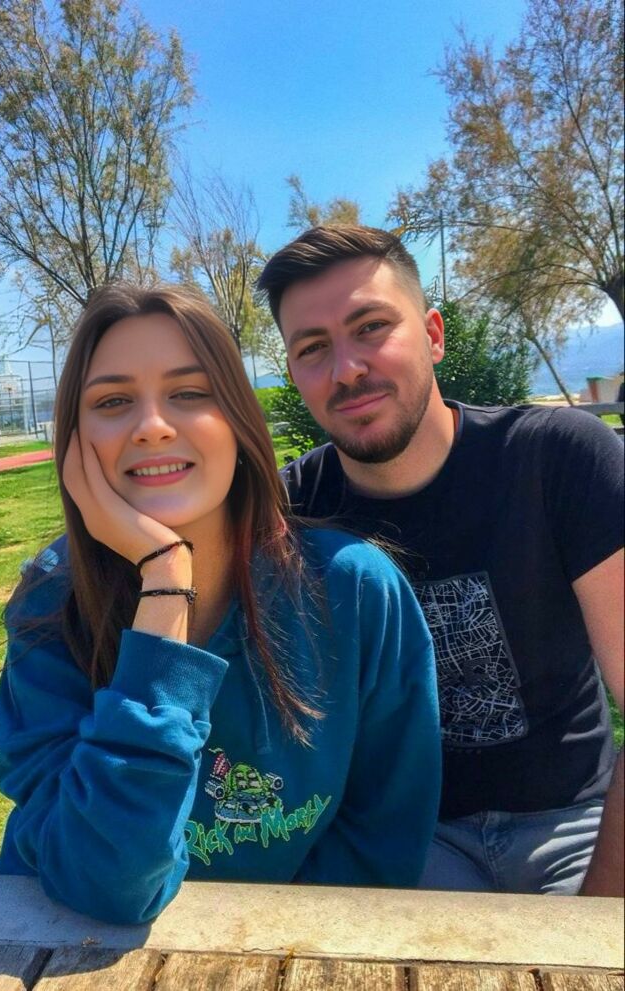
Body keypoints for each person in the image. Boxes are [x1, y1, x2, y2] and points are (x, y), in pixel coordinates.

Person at [0, 283, 441, 924]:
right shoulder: (52, 601)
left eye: (190, 393)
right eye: (113, 401)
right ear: (75, 442)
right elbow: (107, 880)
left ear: (237, 419)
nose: (153, 426)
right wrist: (164, 581)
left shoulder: (355, 589)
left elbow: (381, 842)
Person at [257, 225, 624, 897]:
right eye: (312, 348)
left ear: (432, 335)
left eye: (371, 327)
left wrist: (596, 922)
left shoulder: (557, 459)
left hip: (576, 827)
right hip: (405, 841)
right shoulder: (288, 511)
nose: (346, 369)